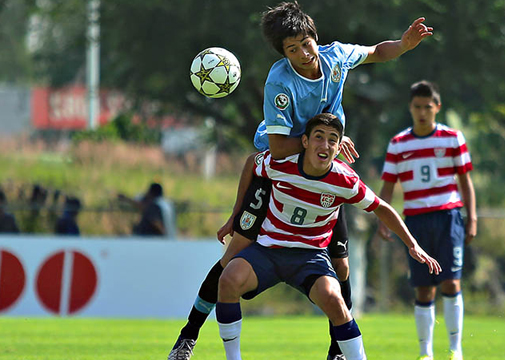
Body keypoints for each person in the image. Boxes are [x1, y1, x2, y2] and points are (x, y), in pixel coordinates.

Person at [169, 3, 434, 360]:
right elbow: (275, 149)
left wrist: (402, 45)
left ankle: (337, 351)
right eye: (291, 50)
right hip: (281, 168)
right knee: (231, 259)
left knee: (341, 267)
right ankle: (188, 336)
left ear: (315, 39)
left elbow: (375, 52)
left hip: (320, 168)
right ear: (283, 54)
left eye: (305, 44)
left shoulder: (337, 57)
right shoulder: (279, 81)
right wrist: (326, 142)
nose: (302, 54)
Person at [217, 113, 440, 360]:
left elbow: (381, 208)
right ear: (305, 142)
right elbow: (252, 163)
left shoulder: (344, 180)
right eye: (319, 137)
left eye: (333, 140)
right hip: (268, 250)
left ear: (338, 148)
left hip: (310, 256)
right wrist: (235, 215)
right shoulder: (280, 163)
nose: (325, 145)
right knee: (228, 279)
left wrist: (413, 245)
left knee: (335, 300)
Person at [377, 81, 477, 360]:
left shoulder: (452, 138)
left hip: (448, 217)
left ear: (437, 108)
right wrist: (382, 220)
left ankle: (455, 350)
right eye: (417, 107)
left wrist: (472, 218)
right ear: (411, 108)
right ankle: (425, 353)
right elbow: (388, 186)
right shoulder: (398, 144)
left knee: (451, 282)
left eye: (427, 107)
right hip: (416, 221)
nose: (422, 112)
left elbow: (465, 181)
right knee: (423, 286)